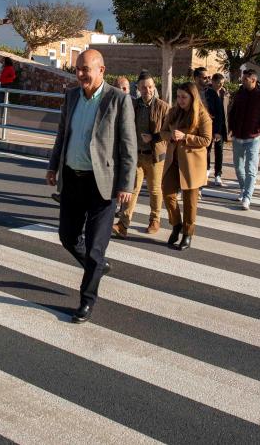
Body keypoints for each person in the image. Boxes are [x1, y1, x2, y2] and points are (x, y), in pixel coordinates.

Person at [46, 49, 136, 324]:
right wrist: (53, 166)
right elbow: (63, 133)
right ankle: (96, 267)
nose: (81, 74)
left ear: (101, 70)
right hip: (73, 179)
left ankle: (86, 300)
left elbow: (128, 146)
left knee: (96, 248)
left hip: (103, 185)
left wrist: (126, 185)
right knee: (68, 237)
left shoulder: (118, 100)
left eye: (86, 69)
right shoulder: (72, 96)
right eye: (78, 69)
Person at [114, 70, 169, 238]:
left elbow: (169, 132)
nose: (148, 90)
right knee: (132, 189)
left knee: (154, 189)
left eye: (150, 87)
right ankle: (123, 224)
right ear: (138, 88)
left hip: (155, 156)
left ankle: (155, 219)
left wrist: (153, 137)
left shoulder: (163, 106)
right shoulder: (133, 105)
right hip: (136, 155)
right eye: (144, 88)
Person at [160, 81, 212, 250]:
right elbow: (163, 132)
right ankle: (176, 224)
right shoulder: (174, 111)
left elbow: (206, 140)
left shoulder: (202, 115)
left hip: (192, 163)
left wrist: (185, 137)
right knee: (167, 193)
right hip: (172, 160)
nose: (180, 100)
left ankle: (188, 234)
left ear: (192, 97)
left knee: (190, 202)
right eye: (178, 97)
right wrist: (171, 136)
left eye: (184, 97)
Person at [227, 68, 260, 210]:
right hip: (238, 136)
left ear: (253, 80)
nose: (242, 81)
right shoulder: (239, 94)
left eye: (245, 79)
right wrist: (231, 128)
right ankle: (243, 188)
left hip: (253, 138)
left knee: (250, 168)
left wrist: (259, 130)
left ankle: (247, 197)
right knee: (238, 166)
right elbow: (232, 112)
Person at [194, 68, 228, 187]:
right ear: (196, 78)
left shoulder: (212, 93)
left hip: (211, 128)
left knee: (215, 151)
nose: (207, 80)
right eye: (205, 78)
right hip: (194, 129)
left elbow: (219, 113)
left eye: (208, 77)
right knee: (201, 153)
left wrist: (218, 131)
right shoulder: (189, 90)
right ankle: (201, 175)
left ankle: (216, 174)